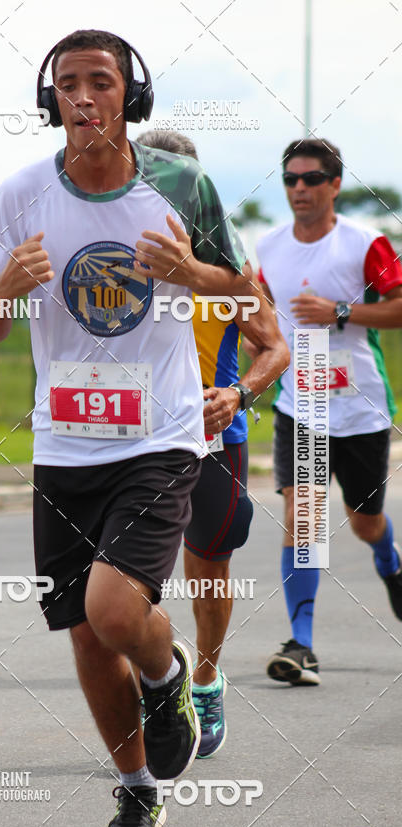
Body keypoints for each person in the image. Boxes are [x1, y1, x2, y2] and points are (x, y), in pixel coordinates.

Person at [0, 28, 253, 827]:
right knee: (88, 636)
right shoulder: (17, 194)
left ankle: (168, 678)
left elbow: (240, 287)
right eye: (67, 84)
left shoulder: (182, 186)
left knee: (115, 609)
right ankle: (138, 794)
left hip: (159, 434)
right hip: (65, 443)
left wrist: (192, 274)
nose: (83, 97)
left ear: (131, 95)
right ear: (49, 98)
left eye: (100, 82)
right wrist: (3, 295)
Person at [136, 130, 289, 755]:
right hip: (131, 435)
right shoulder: (111, 253)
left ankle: (204, 680)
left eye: (177, 185)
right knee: (122, 584)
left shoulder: (227, 270)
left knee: (206, 571)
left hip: (209, 434)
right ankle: (155, 693)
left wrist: (241, 394)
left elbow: (275, 346)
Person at [255, 137, 402, 686]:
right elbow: (263, 315)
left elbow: (399, 307)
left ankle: (390, 560)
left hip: (360, 410)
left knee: (364, 524)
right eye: (291, 179)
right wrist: (259, 342)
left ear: (335, 184)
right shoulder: (268, 247)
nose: (299, 188)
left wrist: (339, 310)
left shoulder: (366, 243)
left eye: (311, 179)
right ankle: (302, 645)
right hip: (303, 407)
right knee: (305, 519)